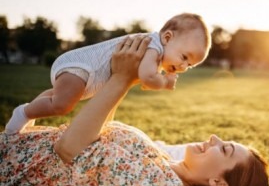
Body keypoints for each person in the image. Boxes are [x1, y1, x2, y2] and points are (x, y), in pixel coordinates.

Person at [0, 36, 269, 186]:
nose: (214, 138)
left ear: (218, 183)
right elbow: (102, 132)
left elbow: (70, 150)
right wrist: (127, 78)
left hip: (11, 173)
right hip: (15, 149)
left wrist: (121, 78)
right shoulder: (165, 163)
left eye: (224, 150)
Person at [5, 13, 211, 135]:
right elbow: (147, 77)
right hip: (81, 67)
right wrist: (164, 83)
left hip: (83, 72)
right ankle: (23, 112)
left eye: (190, 65)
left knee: (56, 96)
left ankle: (32, 112)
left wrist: (155, 79)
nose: (184, 66)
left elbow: (144, 79)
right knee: (62, 105)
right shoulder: (153, 46)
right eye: (184, 57)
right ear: (167, 37)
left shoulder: (155, 54)